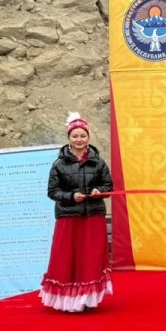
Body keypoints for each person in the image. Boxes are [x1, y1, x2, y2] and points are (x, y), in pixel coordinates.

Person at [40, 112, 114, 312]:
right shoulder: (58, 164)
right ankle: (66, 300)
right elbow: (53, 192)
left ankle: (87, 300)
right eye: (75, 136)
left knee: (90, 257)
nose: (79, 139)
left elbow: (108, 186)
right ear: (69, 138)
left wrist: (99, 191)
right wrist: (72, 196)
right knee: (66, 257)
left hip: (93, 216)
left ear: (88, 137)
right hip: (68, 217)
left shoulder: (98, 162)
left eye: (82, 135)